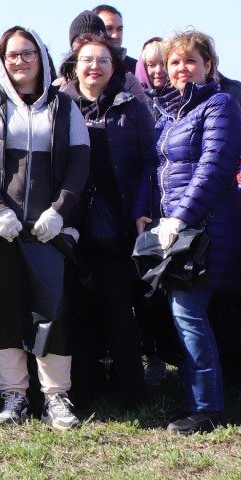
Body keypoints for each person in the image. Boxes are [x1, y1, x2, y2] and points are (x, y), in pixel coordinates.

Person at [0, 27, 90, 430]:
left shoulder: (64, 106)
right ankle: (14, 394)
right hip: (0, 229)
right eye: (11, 54)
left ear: (41, 56)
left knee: (51, 310)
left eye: (27, 53)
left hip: (46, 229)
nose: (19, 61)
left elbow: (78, 164)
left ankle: (56, 397)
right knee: (2, 310)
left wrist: (59, 211)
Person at [149, 30, 241, 435]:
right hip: (178, 231)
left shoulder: (220, 105)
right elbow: (159, 171)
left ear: (209, 65)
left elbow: (214, 167)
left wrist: (180, 217)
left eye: (191, 60)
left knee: (189, 314)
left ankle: (207, 406)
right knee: (183, 314)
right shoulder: (172, 114)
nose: (182, 68)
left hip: (204, 232)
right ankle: (194, 397)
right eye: (175, 62)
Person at [61, 31, 156, 406]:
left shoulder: (131, 106)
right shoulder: (60, 104)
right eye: (87, 59)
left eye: (103, 60)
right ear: (75, 66)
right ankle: (83, 384)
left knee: (119, 305)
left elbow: (150, 160)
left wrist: (140, 211)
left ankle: (130, 385)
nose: (94, 66)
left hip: (118, 220)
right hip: (70, 220)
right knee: (78, 304)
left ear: (114, 66)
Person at [93, 4, 136, 78]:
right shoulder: (77, 66)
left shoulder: (134, 68)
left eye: (119, 29)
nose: (115, 35)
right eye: (109, 28)